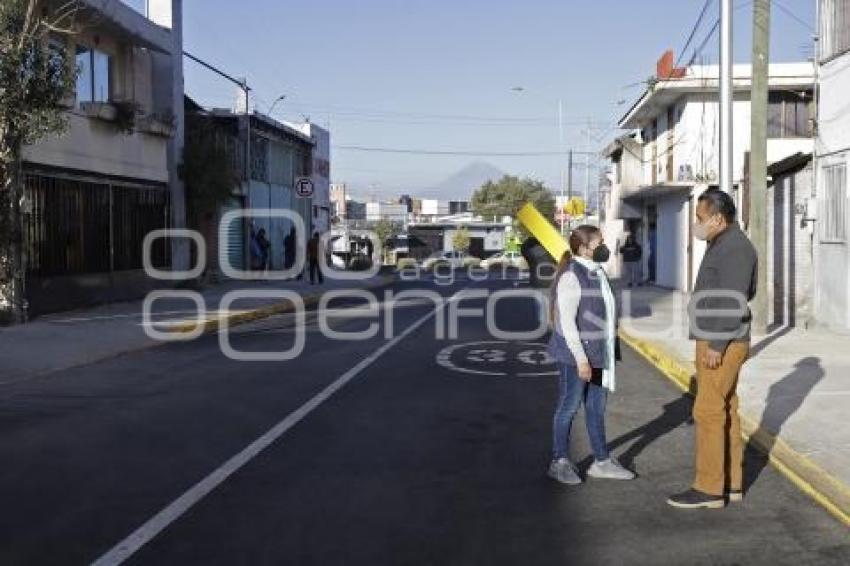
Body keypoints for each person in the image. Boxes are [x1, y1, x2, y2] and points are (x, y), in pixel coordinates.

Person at [667, 188, 757, 510]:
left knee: (706, 411)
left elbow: (735, 297)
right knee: (725, 408)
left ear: (718, 218)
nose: (697, 223)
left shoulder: (734, 248)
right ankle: (731, 483)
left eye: (700, 218)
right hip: (718, 337)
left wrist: (717, 343)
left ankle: (708, 488)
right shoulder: (722, 243)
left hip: (722, 340)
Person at [546, 225, 635, 485]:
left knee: (596, 408)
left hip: (598, 352)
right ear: (584, 248)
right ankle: (559, 460)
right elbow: (567, 323)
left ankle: (602, 461)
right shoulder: (572, 276)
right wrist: (581, 360)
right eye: (600, 243)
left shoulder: (596, 272)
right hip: (577, 355)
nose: (604, 247)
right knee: (568, 407)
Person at [520, 236, 557, 327]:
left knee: (541, 309)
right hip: (550, 283)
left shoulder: (528, 250)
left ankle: (544, 326)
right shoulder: (549, 251)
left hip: (537, 283)